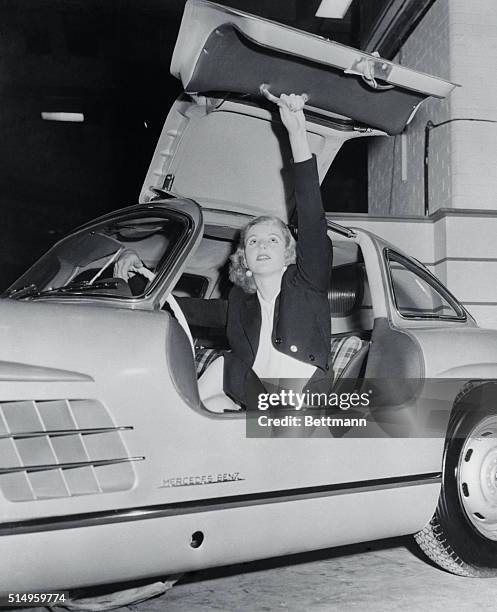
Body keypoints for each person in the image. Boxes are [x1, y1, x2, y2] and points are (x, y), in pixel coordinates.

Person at [115, 93, 333, 414]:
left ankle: (179, 420)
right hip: (262, 403)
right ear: (243, 257)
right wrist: (138, 275)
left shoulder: (308, 284)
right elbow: (179, 308)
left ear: (289, 251)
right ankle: (182, 422)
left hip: (303, 402)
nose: (262, 245)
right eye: (253, 241)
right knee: (216, 391)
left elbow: (313, 216)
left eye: (273, 239)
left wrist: (297, 135)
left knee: (221, 375)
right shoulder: (240, 304)